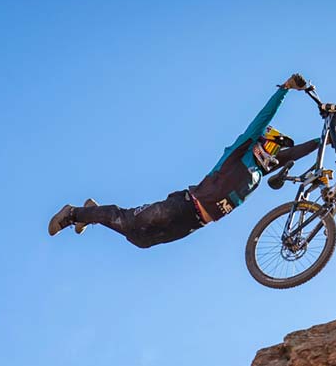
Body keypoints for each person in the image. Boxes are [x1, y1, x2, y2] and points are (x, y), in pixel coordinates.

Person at [47, 75, 320, 247]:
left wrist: (327, 137)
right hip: (183, 204)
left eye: (275, 153)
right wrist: (284, 89)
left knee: (139, 240)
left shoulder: (259, 172)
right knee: (128, 220)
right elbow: (262, 119)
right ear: (264, 141)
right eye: (271, 146)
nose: (272, 155)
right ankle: (73, 213)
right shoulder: (244, 150)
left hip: (195, 223)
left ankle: (92, 213)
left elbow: (294, 154)